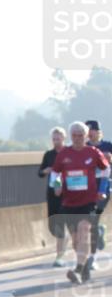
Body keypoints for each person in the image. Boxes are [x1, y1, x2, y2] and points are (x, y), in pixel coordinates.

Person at [52, 121, 110, 284]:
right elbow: (55, 173)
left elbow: (106, 169)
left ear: (86, 136)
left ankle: (77, 270)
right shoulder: (64, 154)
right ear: (70, 136)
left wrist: (102, 189)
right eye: (74, 135)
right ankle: (84, 269)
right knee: (76, 240)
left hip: (88, 201)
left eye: (80, 135)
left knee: (84, 230)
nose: (77, 138)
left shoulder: (93, 152)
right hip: (69, 202)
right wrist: (57, 186)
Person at [38, 127, 69, 266]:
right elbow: (40, 172)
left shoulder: (69, 153)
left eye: (58, 138)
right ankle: (64, 239)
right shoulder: (49, 154)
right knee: (53, 225)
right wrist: (46, 170)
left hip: (67, 193)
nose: (56, 141)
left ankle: (59, 257)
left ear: (64, 138)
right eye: (54, 139)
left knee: (61, 224)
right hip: (52, 193)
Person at [85, 119, 112, 268]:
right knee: (90, 222)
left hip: (103, 188)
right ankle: (99, 231)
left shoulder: (108, 146)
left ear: (98, 132)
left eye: (92, 130)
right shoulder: (83, 147)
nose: (89, 133)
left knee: (93, 220)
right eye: (87, 131)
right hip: (86, 189)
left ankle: (93, 258)